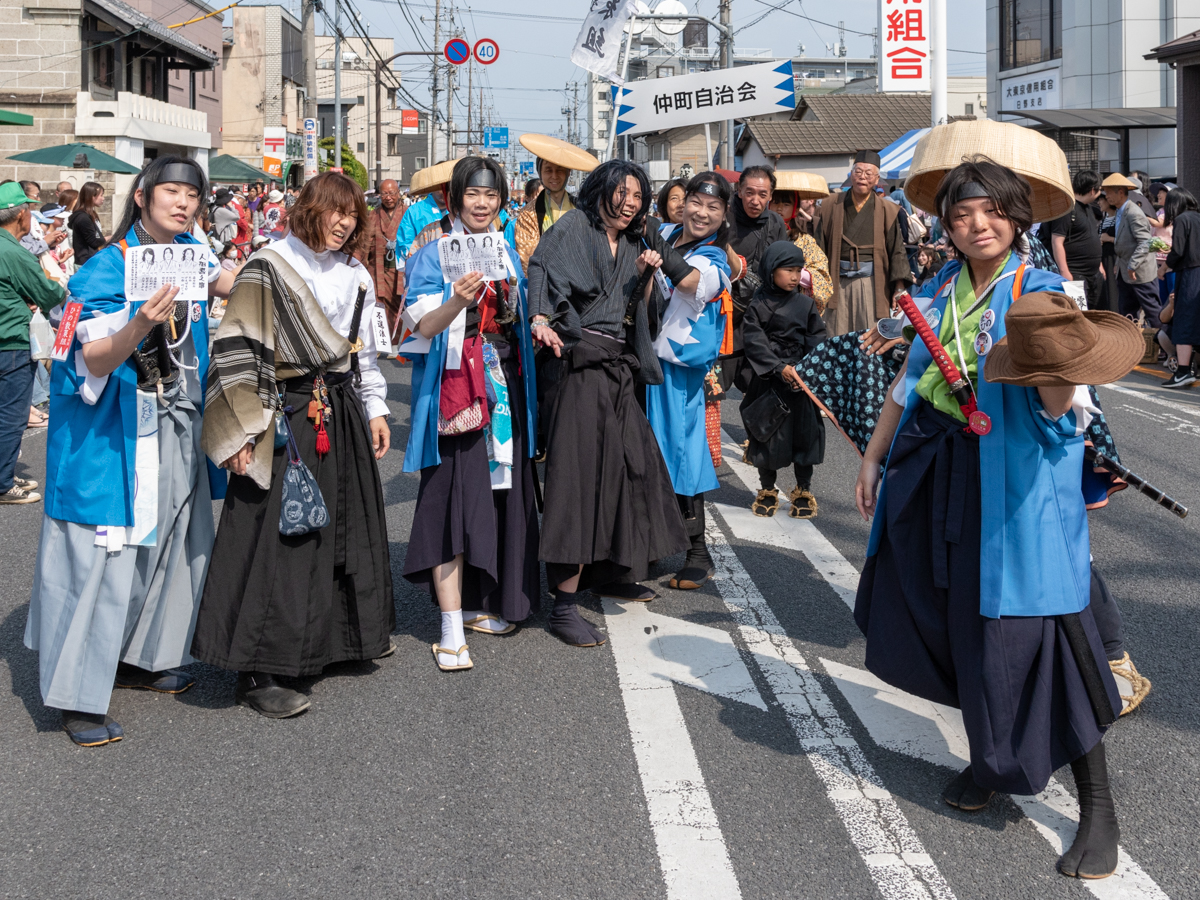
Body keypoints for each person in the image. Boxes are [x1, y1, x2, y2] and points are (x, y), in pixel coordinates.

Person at [855, 147, 1139, 880]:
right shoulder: (942, 286)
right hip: (941, 470)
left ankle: (1098, 803)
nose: (977, 223)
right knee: (956, 623)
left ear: (1018, 218)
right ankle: (990, 761)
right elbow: (910, 381)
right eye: (961, 212)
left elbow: (1067, 409)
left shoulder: (1044, 290)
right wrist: (872, 458)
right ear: (945, 225)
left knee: (1041, 639)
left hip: (1020, 486)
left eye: (991, 210)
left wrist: (1051, 365)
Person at [25, 156, 235, 746]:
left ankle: (140, 655)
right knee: (98, 553)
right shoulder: (99, 270)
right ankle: (73, 696)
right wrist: (139, 323)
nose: (184, 203)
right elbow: (85, 358)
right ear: (141, 196)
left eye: (192, 195)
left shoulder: (191, 255)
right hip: (110, 431)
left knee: (170, 539)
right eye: (171, 191)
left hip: (172, 419)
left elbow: (234, 283)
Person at [194, 171, 394, 719]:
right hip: (279, 411)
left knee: (338, 530)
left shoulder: (355, 275)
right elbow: (235, 350)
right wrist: (242, 433)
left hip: (339, 406)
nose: (344, 222)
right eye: (334, 211)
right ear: (309, 210)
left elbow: (363, 354)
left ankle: (330, 644)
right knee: (275, 539)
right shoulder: (267, 264)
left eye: (352, 214)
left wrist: (375, 408)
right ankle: (259, 670)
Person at [527, 159, 700, 642]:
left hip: (620, 369)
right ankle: (562, 605)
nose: (629, 203)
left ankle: (608, 570)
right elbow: (540, 269)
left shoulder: (636, 240)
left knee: (629, 470)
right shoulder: (573, 228)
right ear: (600, 190)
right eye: (621, 193)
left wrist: (649, 270)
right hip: (579, 367)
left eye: (638, 196)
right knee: (578, 482)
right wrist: (540, 318)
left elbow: (653, 304)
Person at [399, 156, 540, 671]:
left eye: (491, 195)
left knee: (498, 497)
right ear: (454, 198)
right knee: (450, 500)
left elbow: (517, 318)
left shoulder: (506, 249)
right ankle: (450, 625)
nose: (482, 203)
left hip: (503, 385)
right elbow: (421, 328)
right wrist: (457, 301)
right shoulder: (432, 254)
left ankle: (487, 602)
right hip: (456, 388)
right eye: (472, 194)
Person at [645, 172, 735, 590]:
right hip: (637, 357)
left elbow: (689, 282)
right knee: (640, 450)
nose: (701, 212)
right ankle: (642, 545)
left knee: (681, 451)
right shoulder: (663, 230)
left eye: (713, 207)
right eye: (695, 202)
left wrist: (649, 236)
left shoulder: (715, 257)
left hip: (677, 370)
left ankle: (697, 549)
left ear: (723, 215)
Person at [739, 241, 827, 519]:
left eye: (798, 270)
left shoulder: (806, 303)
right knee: (766, 436)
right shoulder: (758, 304)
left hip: (800, 382)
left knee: (805, 436)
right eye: (787, 269)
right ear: (770, 270)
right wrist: (778, 367)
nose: (794, 276)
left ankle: (803, 489)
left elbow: (818, 339)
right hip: (769, 381)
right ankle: (767, 488)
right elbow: (753, 341)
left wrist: (805, 369)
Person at [0, 182, 66, 504]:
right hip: (10, 341)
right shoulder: (13, 251)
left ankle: (4, 474)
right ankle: (2, 484)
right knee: (12, 415)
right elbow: (50, 293)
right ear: (22, 216)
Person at [816, 150, 914, 336]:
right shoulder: (830, 206)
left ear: (877, 180)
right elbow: (819, 248)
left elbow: (897, 251)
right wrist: (817, 283)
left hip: (873, 283)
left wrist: (899, 288)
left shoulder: (888, 210)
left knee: (870, 335)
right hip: (837, 282)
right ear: (851, 175)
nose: (862, 177)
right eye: (858, 171)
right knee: (837, 334)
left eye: (869, 173)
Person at [723, 166, 789, 392]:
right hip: (726, 316)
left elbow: (783, 266)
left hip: (760, 317)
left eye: (762, 195)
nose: (755, 200)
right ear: (739, 191)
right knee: (714, 390)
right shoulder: (723, 218)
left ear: (771, 195)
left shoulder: (775, 222)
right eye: (749, 193)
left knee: (759, 392)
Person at [513, 133, 600, 269]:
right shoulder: (528, 214)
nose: (554, 176)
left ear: (568, 172)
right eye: (548, 170)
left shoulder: (582, 208)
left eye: (560, 170)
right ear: (540, 172)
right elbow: (528, 257)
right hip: (544, 284)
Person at [1103, 173, 1161, 328]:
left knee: (1152, 310)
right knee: (1127, 311)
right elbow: (1124, 243)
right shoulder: (1122, 211)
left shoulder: (1134, 213)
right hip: (1125, 271)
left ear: (1120, 192)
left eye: (1108, 192)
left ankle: (1163, 345)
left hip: (1139, 272)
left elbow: (1145, 242)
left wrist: (1132, 265)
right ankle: (1131, 345)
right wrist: (1118, 263)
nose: (1106, 196)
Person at [1161, 188, 1200, 388]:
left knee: (1185, 320)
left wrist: (1164, 266)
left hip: (1191, 275)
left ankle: (1183, 372)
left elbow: (1177, 251)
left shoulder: (1182, 220)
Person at [1049, 170, 1105, 309]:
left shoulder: (1089, 208)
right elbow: (1057, 241)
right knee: (1079, 313)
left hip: (1094, 273)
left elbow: (1091, 236)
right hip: (1075, 273)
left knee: (1095, 313)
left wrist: (1099, 264)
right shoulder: (1067, 208)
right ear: (1092, 190)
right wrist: (1064, 271)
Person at [360, 178, 406, 340]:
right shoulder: (373, 215)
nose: (388, 197)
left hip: (400, 269)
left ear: (398, 193)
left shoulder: (408, 213)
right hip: (377, 268)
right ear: (380, 195)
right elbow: (365, 243)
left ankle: (393, 340)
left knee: (397, 305)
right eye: (385, 193)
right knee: (377, 304)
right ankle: (380, 342)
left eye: (392, 193)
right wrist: (361, 266)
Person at [398, 162, 453, 256]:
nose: (443, 192)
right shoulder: (414, 212)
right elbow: (405, 244)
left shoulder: (462, 211)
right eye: (439, 187)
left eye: (447, 187)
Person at [70, 181, 106, 267]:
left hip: (90, 260)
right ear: (92, 197)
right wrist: (108, 238)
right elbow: (93, 241)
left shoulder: (90, 214)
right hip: (85, 262)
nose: (103, 198)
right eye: (101, 195)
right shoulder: (83, 217)